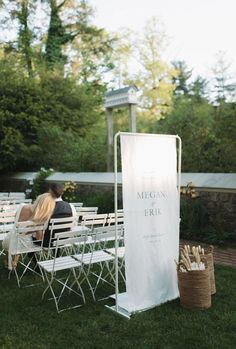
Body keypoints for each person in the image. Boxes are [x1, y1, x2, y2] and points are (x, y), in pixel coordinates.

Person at [3, 192, 56, 268]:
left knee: (13, 239)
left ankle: (8, 260)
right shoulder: (42, 218)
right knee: (23, 240)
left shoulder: (23, 207)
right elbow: (39, 238)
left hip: (11, 239)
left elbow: (16, 221)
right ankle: (14, 261)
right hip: (27, 245)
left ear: (38, 199)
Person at [43, 183, 77, 247]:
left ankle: (32, 256)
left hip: (47, 242)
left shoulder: (46, 207)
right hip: (65, 239)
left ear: (50, 192)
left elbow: (42, 227)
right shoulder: (71, 206)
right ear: (62, 193)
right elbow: (74, 224)